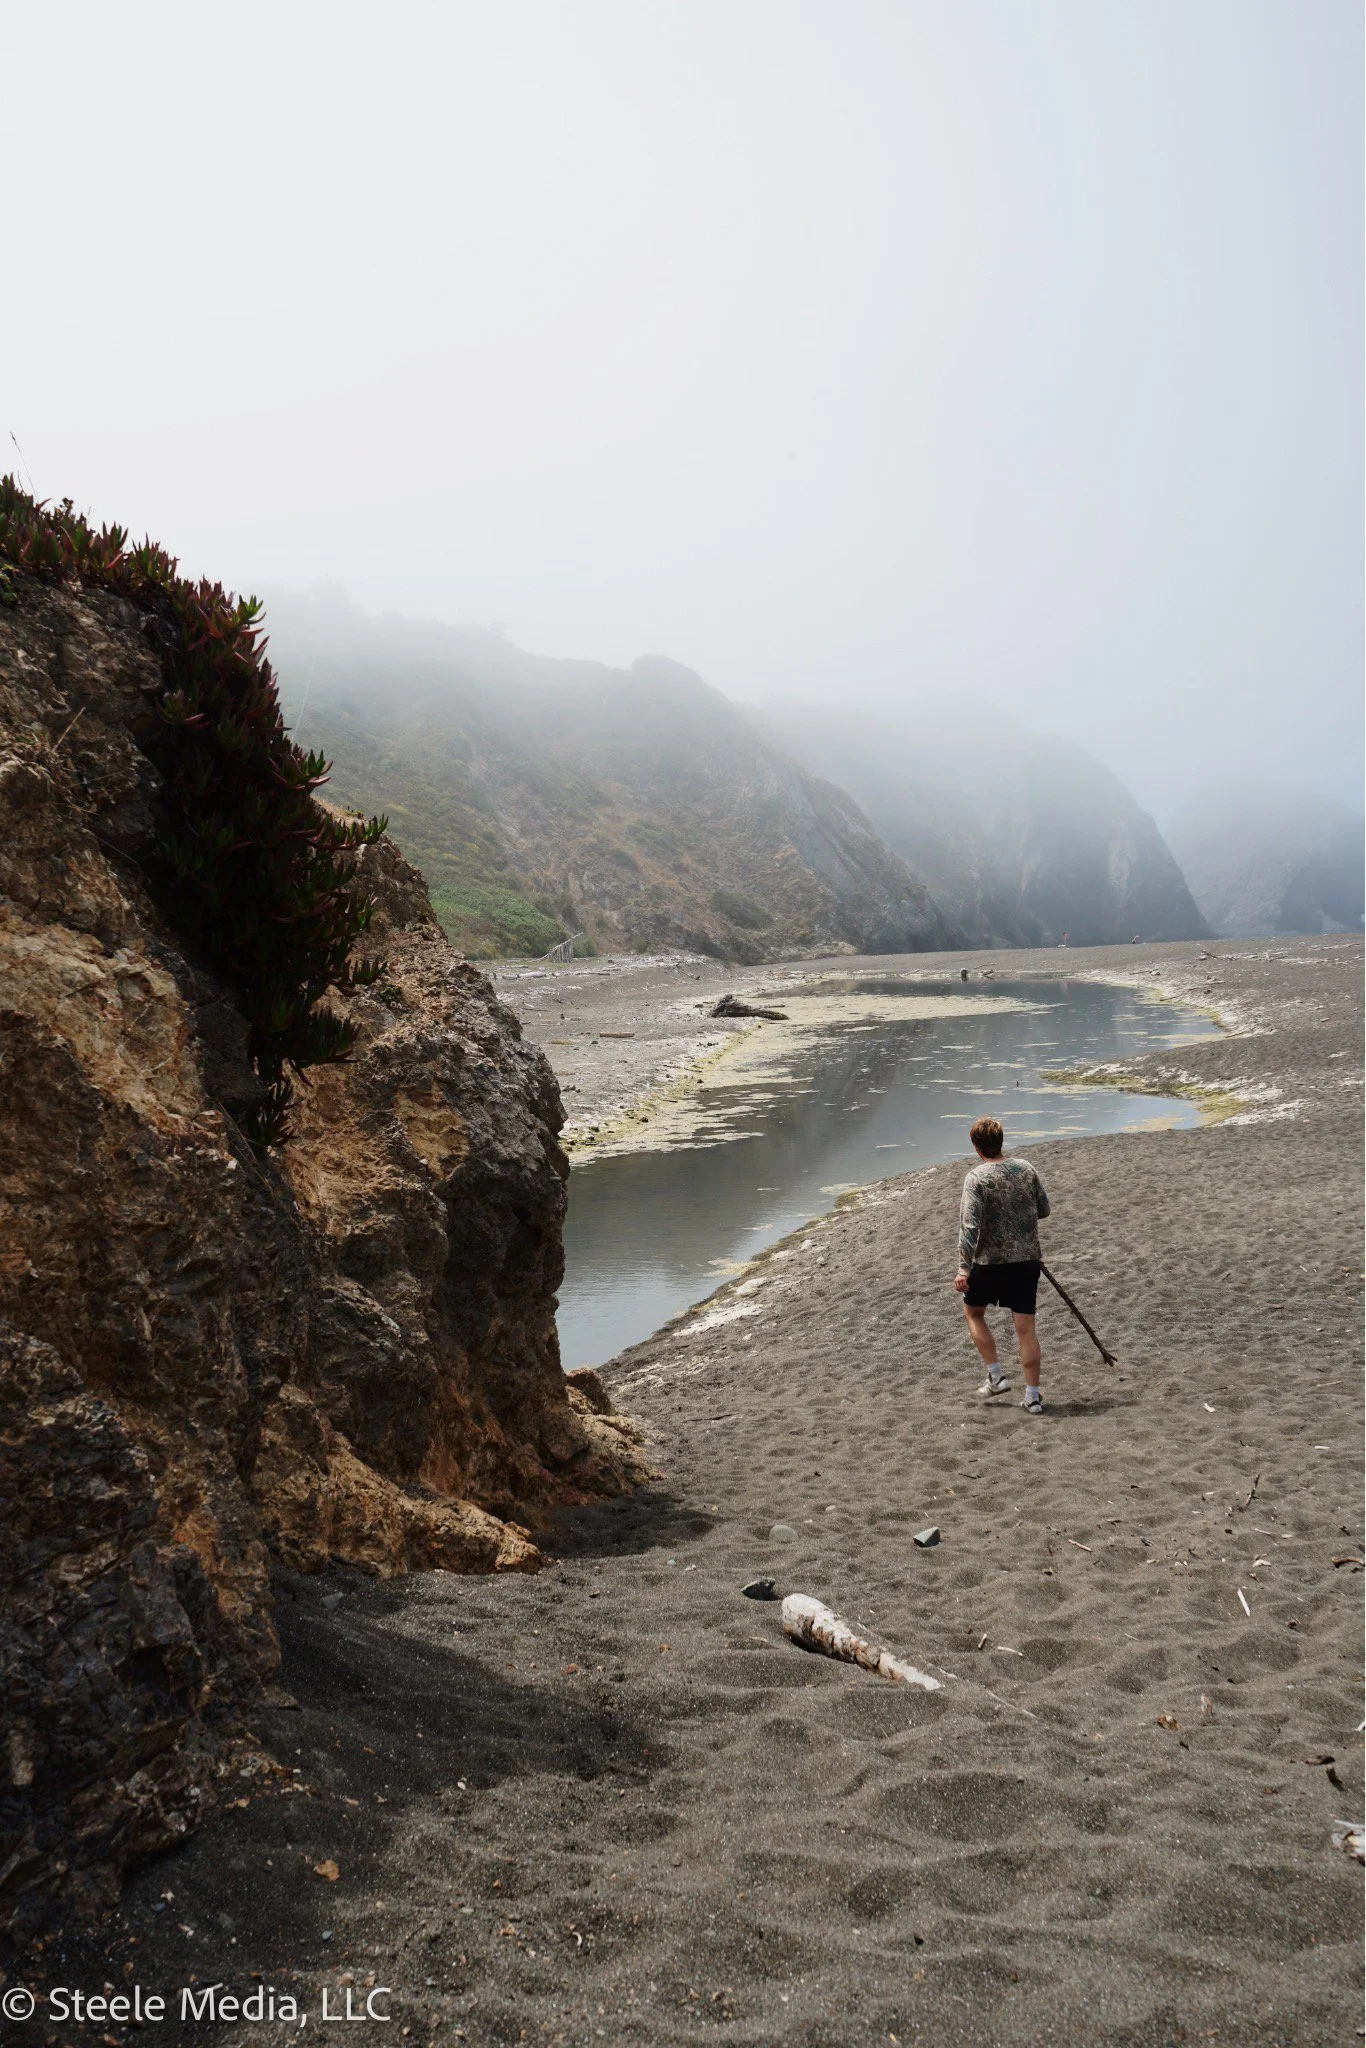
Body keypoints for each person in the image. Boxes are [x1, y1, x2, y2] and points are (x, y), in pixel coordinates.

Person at [953, 1116, 1051, 1414]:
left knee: (973, 1312)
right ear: (1000, 1141)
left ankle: (996, 1375)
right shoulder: (1026, 1168)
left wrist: (963, 1268)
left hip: (991, 1263)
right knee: (1026, 1329)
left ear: (976, 1146)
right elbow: (1043, 1210)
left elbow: (969, 1227)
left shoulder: (976, 1178)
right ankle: (1033, 1396)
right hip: (1027, 1261)